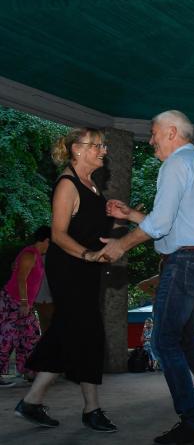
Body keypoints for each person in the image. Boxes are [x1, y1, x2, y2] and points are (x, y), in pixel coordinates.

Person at [99, 110, 194, 444]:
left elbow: (161, 225)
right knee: (188, 341)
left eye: (153, 133)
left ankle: (193, 423)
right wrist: (133, 215)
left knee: (163, 342)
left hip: (186, 262)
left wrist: (121, 245)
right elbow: (177, 221)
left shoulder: (175, 164)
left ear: (171, 132)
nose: (150, 140)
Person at [15, 129, 117, 432]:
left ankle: (33, 400)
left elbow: (89, 226)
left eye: (103, 145)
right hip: (71, 268)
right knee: (87, 333)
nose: (103, 150)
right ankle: (91, 408)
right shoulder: (67, 184)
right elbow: (58, 234)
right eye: (96, 145)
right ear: (76, 150)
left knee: (71, 332)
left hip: (87, 268)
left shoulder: (93, 186)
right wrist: (88, 255)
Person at [0, 226, 50, 387]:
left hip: (22, 303)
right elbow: (21, 279)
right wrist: (24, 302)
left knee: (31, 335)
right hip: (13, 302)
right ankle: (27, 371)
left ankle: (29, 371)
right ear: (46, 240)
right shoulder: (30, 254)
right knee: (7, 338)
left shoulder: (34, 254)